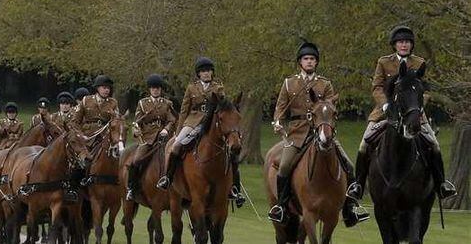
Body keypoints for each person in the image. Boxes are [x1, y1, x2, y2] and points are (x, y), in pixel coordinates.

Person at [349, 26, 457, 201]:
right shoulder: (383, 62)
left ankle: (441, 184)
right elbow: (377, 87)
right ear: (395, 45)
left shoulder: (420, 62)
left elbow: (426, 89)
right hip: (384, 113)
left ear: (411, 45)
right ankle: (358, 185)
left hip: (413, 113)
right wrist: (385, 105)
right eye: (400, 42)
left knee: (434, 144)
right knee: (363, 144)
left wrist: (420, 105)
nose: (404, 45)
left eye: (407, 42)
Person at [268, 43, 368, 226]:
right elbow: (280, 108)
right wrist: (277, 122)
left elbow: (330, 107)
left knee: (349, 165)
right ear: (300, 62)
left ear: (316, 63)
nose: (309, 62)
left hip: (321, 129)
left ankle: (350, 210)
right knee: (283, 168)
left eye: (312, 59)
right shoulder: (289, 83)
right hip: (297, 132)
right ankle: (281, 207)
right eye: (306, 59)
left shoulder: (325, 84)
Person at [156, 58, 246, 206]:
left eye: (209, 71)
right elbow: (185, 110)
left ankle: (234, 188)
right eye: (203, 71)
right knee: (176, 146)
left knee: (231, 153)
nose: (206, 73)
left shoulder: (218, 87)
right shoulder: (192, 88)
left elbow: (224, 107)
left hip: (211, 123)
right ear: (199, 74)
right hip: (192, 122)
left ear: (212, 72)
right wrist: (178, 131)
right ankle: (168, 178)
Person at [126, 75, 176, 201]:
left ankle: (174, 185)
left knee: (175, 156)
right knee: (136, 160)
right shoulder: (142, 103)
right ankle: (132, 187)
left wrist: (166, 129)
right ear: (150, 89)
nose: (156, 90)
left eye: (158, 88)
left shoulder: (167, 103)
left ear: (161, 89)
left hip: (164, 137)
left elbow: (171, 120)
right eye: (153, 88)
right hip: (148, 138)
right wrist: (136, 130)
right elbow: (137, 121)